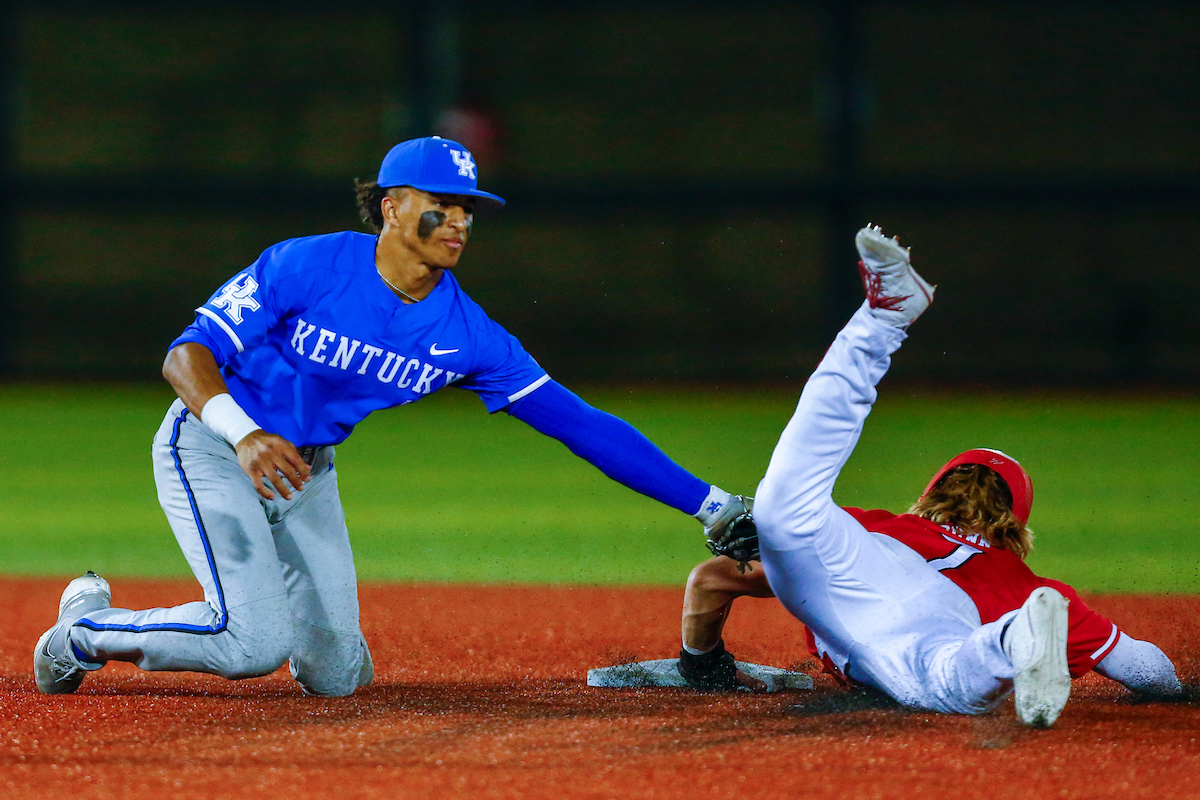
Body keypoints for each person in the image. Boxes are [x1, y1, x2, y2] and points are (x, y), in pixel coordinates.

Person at [34, 136, 750, 697]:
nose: (460, 221)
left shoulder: (469, 334)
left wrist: (712, 506)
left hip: (305, 474)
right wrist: (243, 433)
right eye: (443, 203)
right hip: (214, 448)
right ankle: (80, 634)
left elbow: (583, 425)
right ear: (392, 207)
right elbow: (184, 354)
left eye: (469, 208)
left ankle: (280, 622)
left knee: (339, 677)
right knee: (250, 646)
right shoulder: (304, 267)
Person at [679, 226, 1182, 726]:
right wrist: (1175, 689)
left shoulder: (879, 523)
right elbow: (1145, 668)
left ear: (934, 491)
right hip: (939, 620)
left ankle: (883, 316)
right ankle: (1011, 639)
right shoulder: (1025, 583)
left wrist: (705, 658)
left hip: (865, 560)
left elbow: (714, 578)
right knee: (949, 674)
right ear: (1017, 522)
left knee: (782, 507)